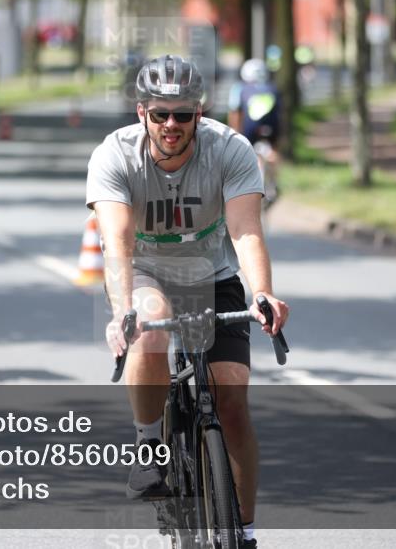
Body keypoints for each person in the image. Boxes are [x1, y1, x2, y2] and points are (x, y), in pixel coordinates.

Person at [86, 54, 289, 548]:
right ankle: (149, 444)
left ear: (200, 112)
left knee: (233, 397)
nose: (172, 124)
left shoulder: (231, 150)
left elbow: (245, 230)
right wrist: (121, 312)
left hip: (212, 274)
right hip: (147, 271)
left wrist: (261, 291)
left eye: (183, 114)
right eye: (161, 114)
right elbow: (117, 242)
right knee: (151, 322)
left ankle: (244, 530)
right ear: (142, 113)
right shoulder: (115, 156)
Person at [227, 58, 283, 206]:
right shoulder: (273, 89)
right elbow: (279, 115)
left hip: (249, 129)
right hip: (271, 129)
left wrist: (234, 133)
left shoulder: (239, 88)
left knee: (249, 153)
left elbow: (235, 112)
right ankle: (274, 182)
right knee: (273, 153)